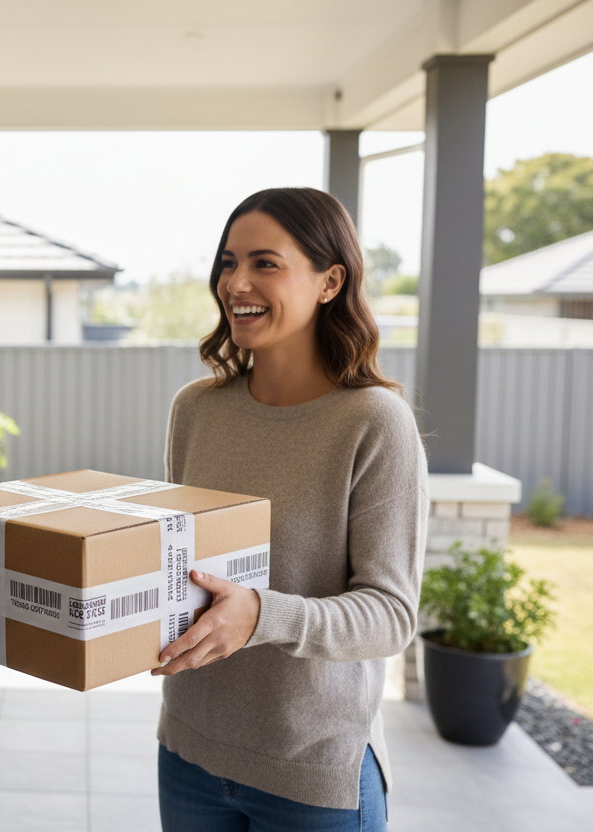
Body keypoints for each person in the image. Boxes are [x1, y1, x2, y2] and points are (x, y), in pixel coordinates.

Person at [152, 187, 428, 831]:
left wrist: (260, 614)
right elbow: (183, 568)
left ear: (330, 281)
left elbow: (390, 615)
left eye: (264, 263)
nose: (235, 282)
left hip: (312, 774)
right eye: (226, 262)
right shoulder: (196, 409)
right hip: (189, 749)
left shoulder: (373, 422)